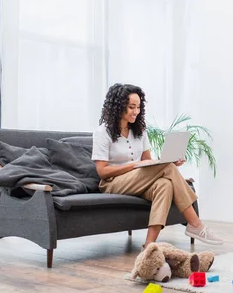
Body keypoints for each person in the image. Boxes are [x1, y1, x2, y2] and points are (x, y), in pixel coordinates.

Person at [91, 83, 223, 247]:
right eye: (132, 107)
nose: (136, 111)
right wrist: (136, 165)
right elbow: (102, 171)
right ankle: (195, 224)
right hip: (112, 183)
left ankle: (149, 247)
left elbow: (149, 162)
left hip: (137, 180)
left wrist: (169, 162)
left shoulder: (139, 131)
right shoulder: (102, 133)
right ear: (118, 106)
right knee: (167, 170)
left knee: (164, 184)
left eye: (138, 107)